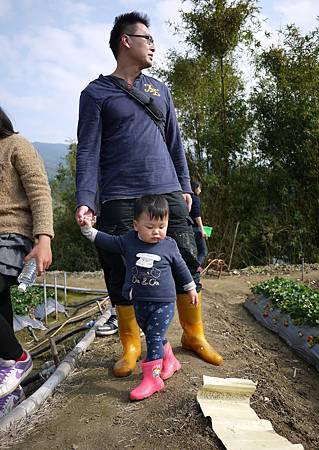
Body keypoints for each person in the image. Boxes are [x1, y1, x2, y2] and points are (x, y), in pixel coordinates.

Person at [75, 11, 223, 377]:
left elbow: (175, 141)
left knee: (186, 257)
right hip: (119, 194)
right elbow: (89, 151)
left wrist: (185, 186)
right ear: (126, 41)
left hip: (166, 188)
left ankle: (194, 334)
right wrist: (86, 199)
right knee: (119, 267)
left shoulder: (159, 89)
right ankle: (131, 344)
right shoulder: (96, 93)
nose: (153, 44)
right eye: (147, 38)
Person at [81, 195, 199, 400]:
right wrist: (87, 229)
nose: (156, 232)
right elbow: (107, 241)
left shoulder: (169, 245)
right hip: (139, 302)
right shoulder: (128, 241)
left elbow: (181, 268)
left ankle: (152, 379)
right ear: (136, 225)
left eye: (161, 226)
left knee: (152, 338)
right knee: (154, 334)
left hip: (164, 302)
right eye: (150, 226)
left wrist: (191, 288)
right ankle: (170, 361)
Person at [0, 107, 53, 416]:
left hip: (11, 236)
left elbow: (40, 193)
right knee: (2, 312)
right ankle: (9, 391)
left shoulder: (16, 145)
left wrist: (43, 238)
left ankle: (17, 357)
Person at [190, 181, 208, 267]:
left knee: (191, 251)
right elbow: (197, 215)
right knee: (203, 252)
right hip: (195, 229)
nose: (200, 190)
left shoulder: (184, 198)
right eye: (199, 188)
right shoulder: (195, 198)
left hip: (186, 228)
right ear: (195, 188)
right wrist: (202, 229)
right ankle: (195, 270)